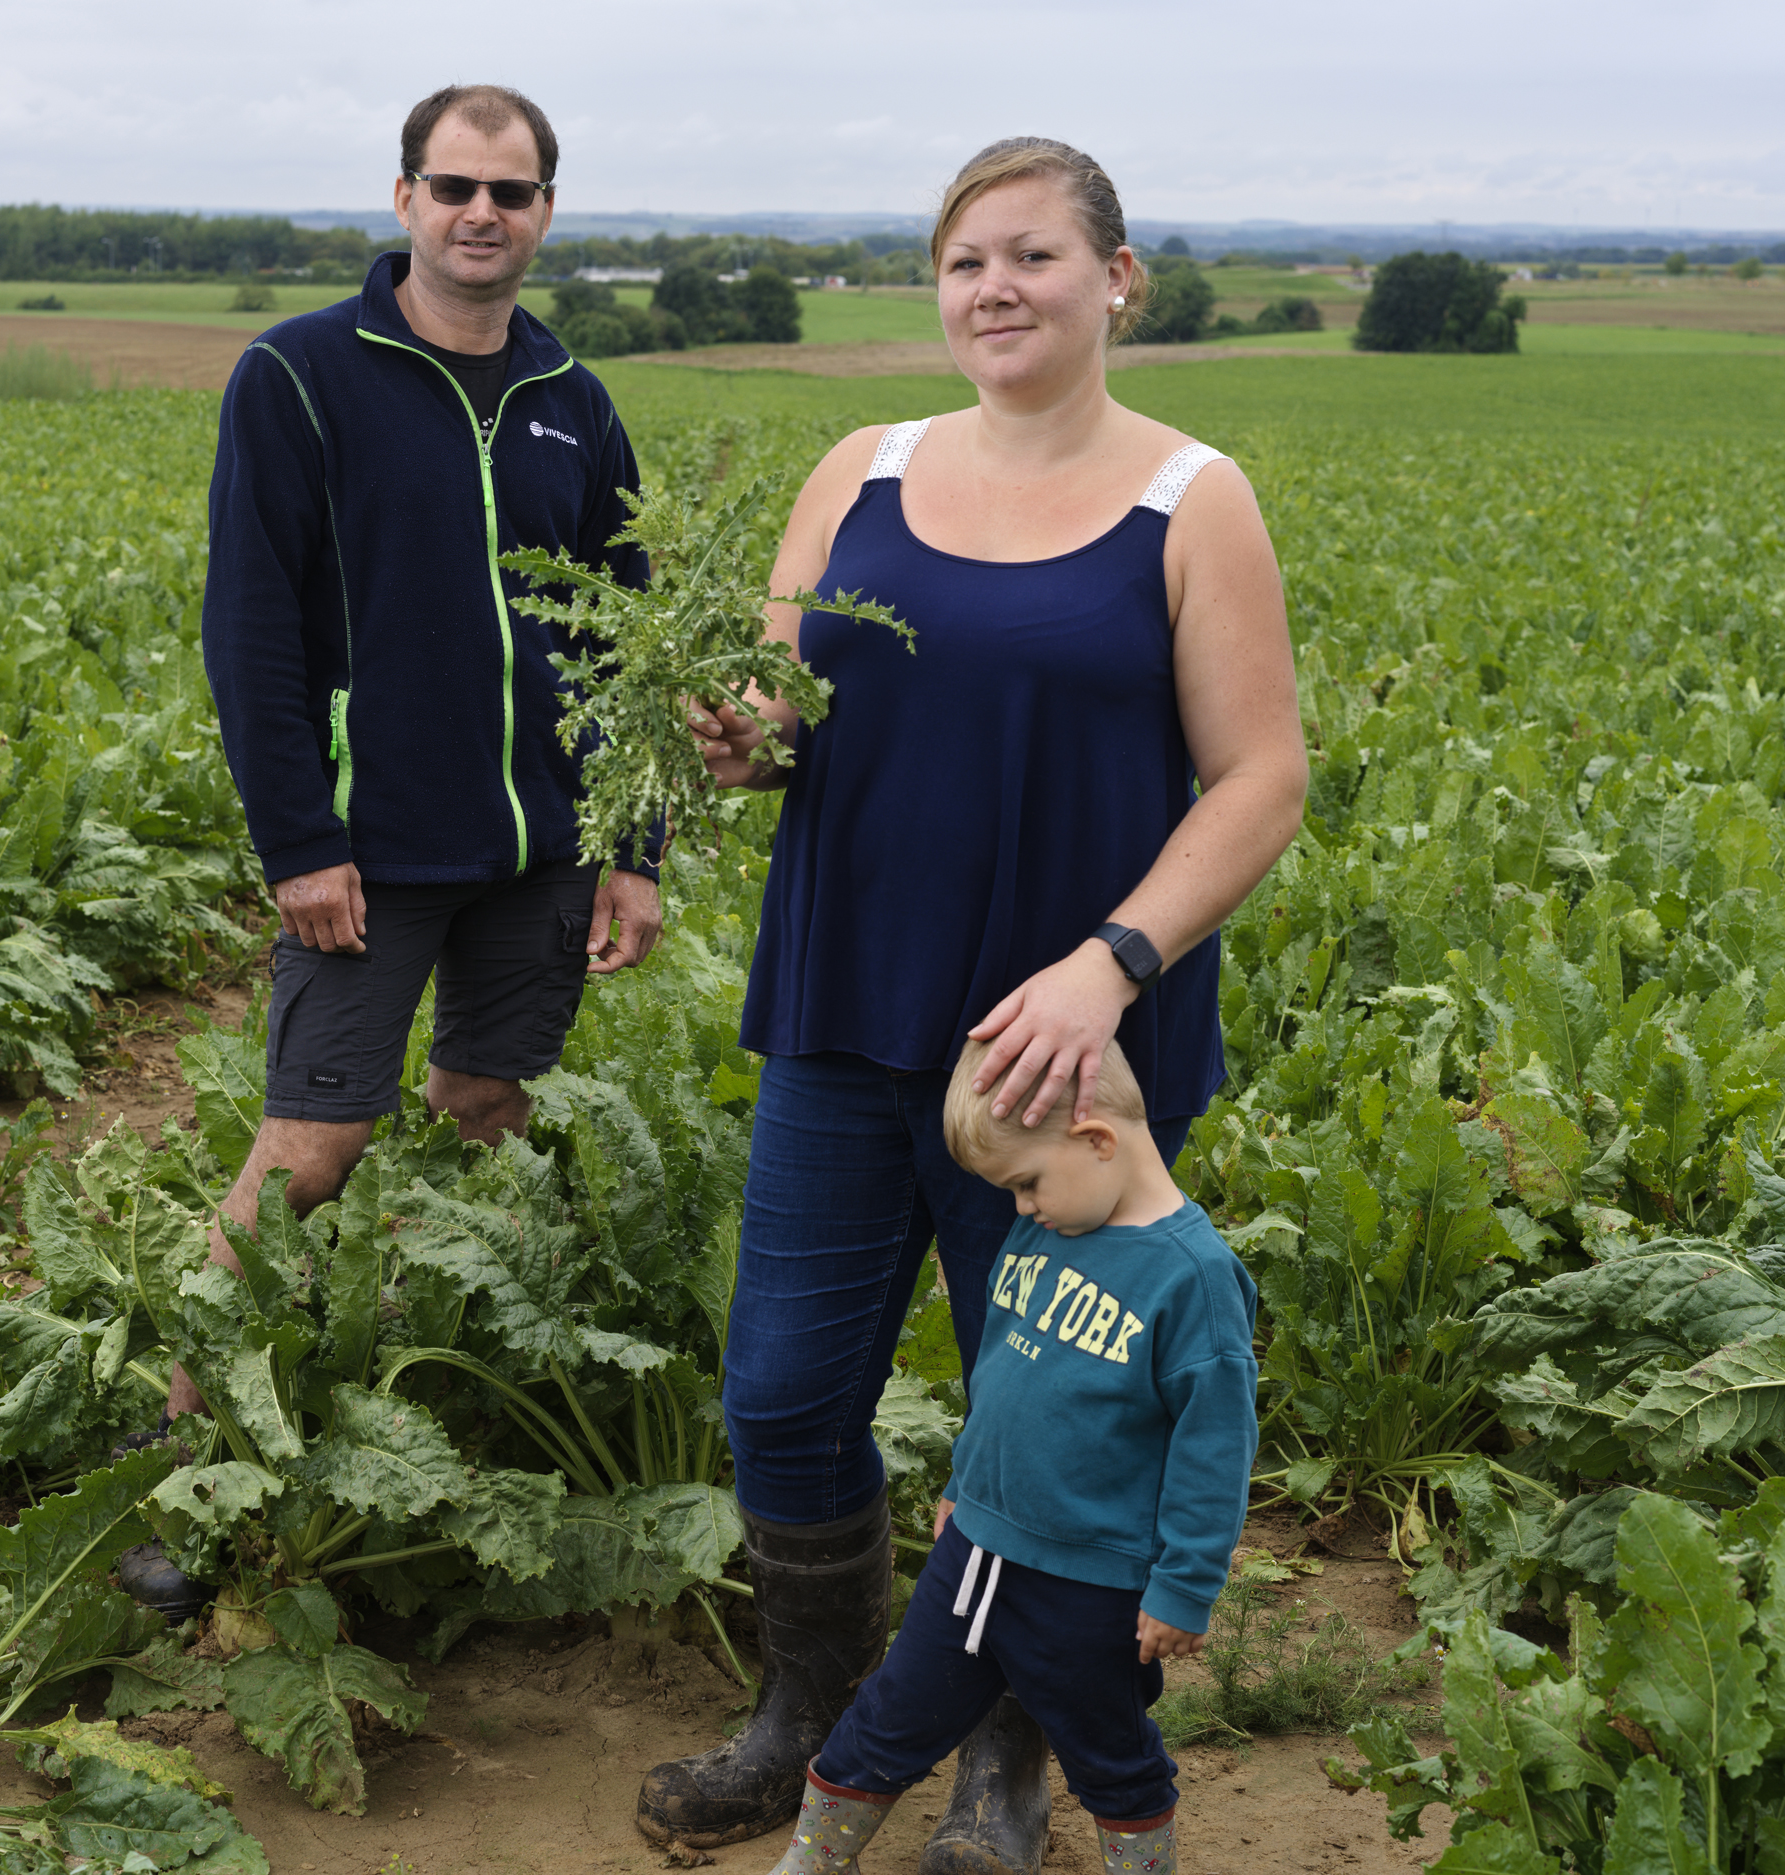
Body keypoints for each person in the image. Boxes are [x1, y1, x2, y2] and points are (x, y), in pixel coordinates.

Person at [638, 137, 1307, 1871]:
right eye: (963, 261)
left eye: (1032, 254)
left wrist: (1109, 965)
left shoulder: (1191, 499)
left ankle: (1010, 1760)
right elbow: (784, 711)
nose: (995, 288)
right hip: (848, 1010)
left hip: (1067, 1062)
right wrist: (743, 740)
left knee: (1063, 1430)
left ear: (1116, 279)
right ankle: (813, 1710)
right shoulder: (861, 470)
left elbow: (1260, 779)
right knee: (785, 1395)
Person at [117, 82, 665, 1618]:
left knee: (483, 1115)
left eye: (511, 191)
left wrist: (632, 842)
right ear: (407, 197)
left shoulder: (571, 395)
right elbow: (250, 627)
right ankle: (181, 1456)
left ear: (546, 212)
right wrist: (299, 837)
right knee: (311, 1147)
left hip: (542, 850)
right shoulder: (300, 376)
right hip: (372, 849)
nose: (482, 213)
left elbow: (626, 635)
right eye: (455, 186)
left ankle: (397, 1424)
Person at [760, 1036, 1256, 1875]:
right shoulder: (1047, 1228)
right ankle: (808, 1863)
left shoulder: (1194, 1280)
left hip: (1088, 1585)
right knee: (887, 1715)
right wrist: (966, 1480)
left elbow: (1215, 1450)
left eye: (1027, 1181)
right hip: (975, 1555)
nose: (1021, 1205)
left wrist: (1185, 1585)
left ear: (1097, 1139)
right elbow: (1002, 1378)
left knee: (1111, 1752)